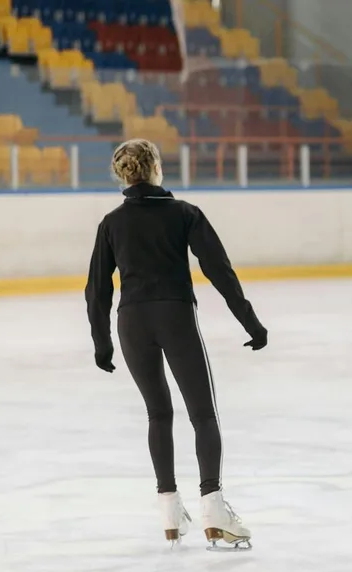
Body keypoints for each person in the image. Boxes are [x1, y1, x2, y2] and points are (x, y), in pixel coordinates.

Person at [85, 139, 266, 548]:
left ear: (124, 175)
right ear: (156, 169)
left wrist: (102, 342)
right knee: (203, 415)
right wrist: (250, 322)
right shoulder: (184, 213)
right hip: (175, 316)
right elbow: (220, 270)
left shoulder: (111, 223)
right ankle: (214, 511)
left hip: (132, 322)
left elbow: (96, 290)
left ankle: (169, 512)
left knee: (157, 414)